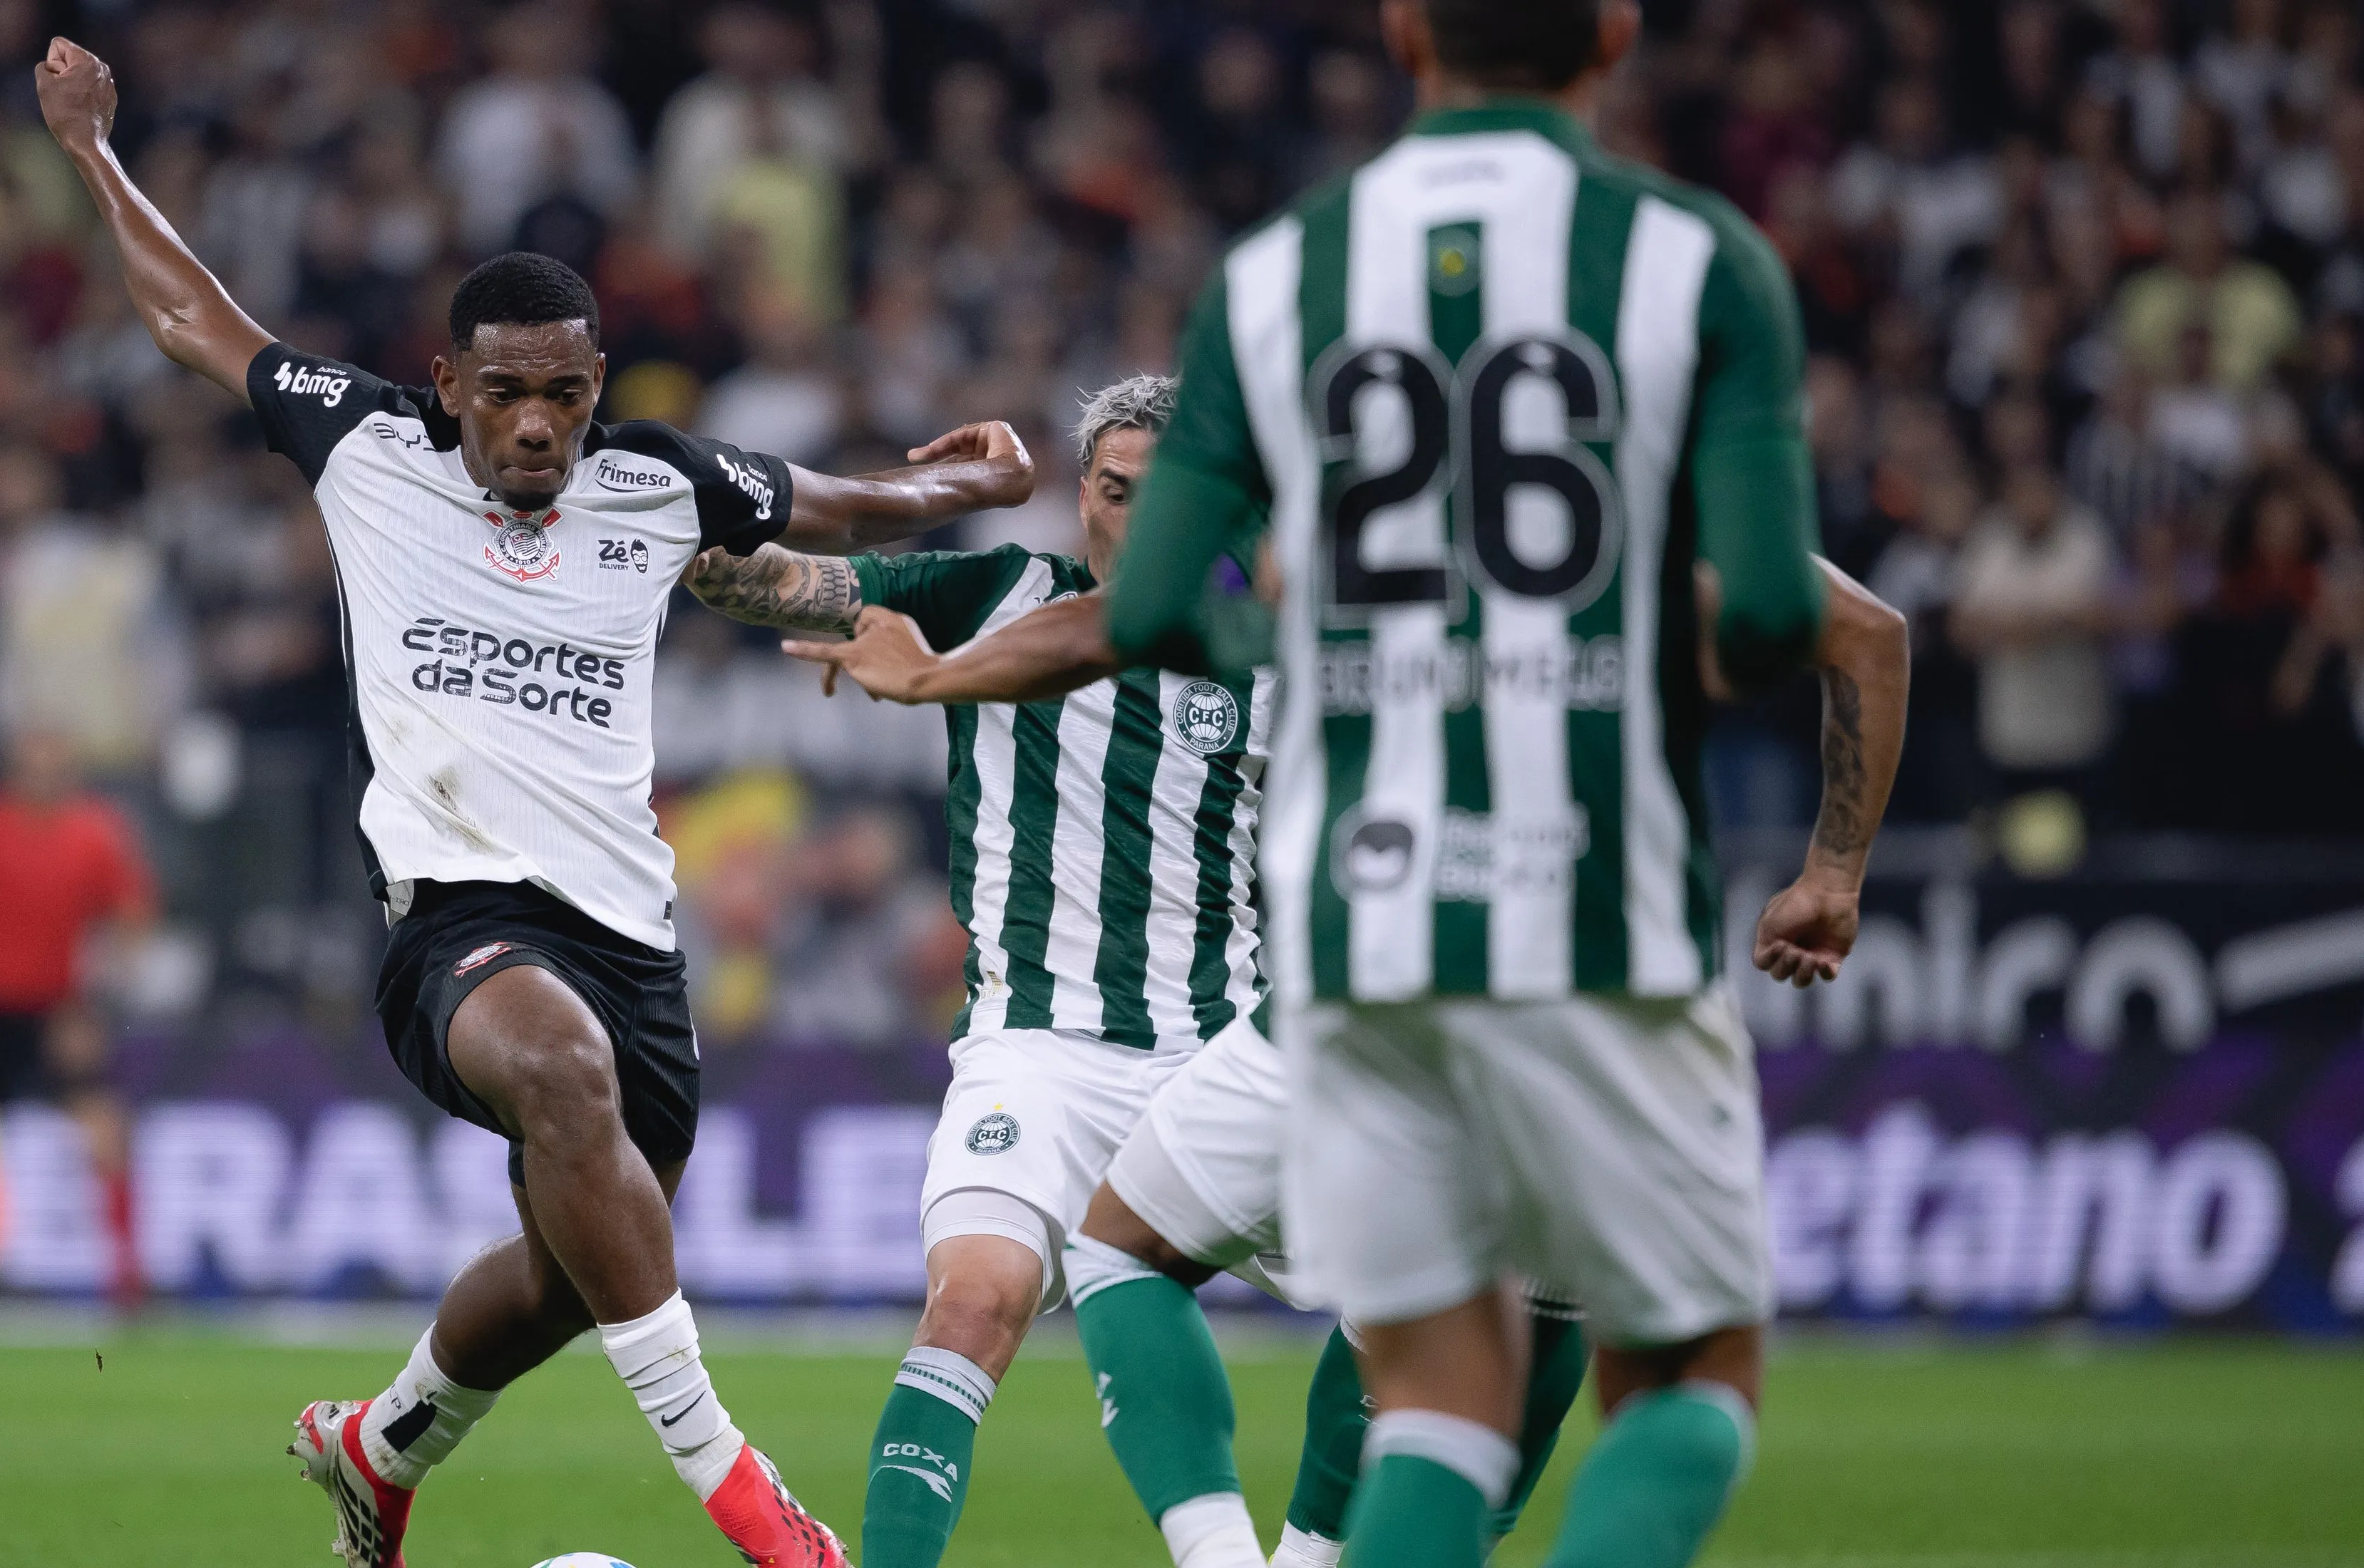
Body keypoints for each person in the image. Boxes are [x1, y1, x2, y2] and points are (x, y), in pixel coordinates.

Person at [36, 36, 1033, 1568]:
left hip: (632, 935)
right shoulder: (366, 445)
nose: (532, 429)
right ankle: (745, 1499)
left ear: (593, 391)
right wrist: (97, 153)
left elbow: (837, 503)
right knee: (557, 1072)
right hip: (457, 924)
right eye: (502, 396)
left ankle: (378, 1446)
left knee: (579, 1271)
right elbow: (194, 316)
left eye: (561, 397)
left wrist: (971, 488)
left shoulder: (653, 483)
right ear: (449, 384)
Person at [1092, 1, 1903, 1564]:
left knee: (1440, 1398)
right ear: (1613, 35)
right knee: (1684, 1373)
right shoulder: (1692, 257)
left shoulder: (1275, 276)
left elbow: (1142, 608)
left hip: (1359, 934)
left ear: (1400, 34)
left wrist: (1348, 644)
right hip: (1595, 914)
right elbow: (1783, 613)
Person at [796, 538, 1903, 1568]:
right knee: (1661, 1374)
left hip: (1387, 966)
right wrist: (1833, 875)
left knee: (1136, 1254)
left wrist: (935, 674)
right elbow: (1869, 630)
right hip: (1619, 979)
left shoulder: (1364, 509)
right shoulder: (1650, 515)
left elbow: (1114, 626)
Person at [682, 376, 1277, 1568]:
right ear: (1076, 494)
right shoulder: (997, 592)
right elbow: (734, 572)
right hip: (1039, 1054)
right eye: (1111, 492)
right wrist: (927, 499)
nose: (1134, 521)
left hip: (1229, 1052)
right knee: (974, 1303)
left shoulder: (1276, 639)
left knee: (1442, 1306)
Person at [0, 726, 157, 1311]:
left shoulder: (94, 834)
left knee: (105, 1131)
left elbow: (132, 917)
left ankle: (128, 1280)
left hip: (59, 1010)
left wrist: (97, 1003)